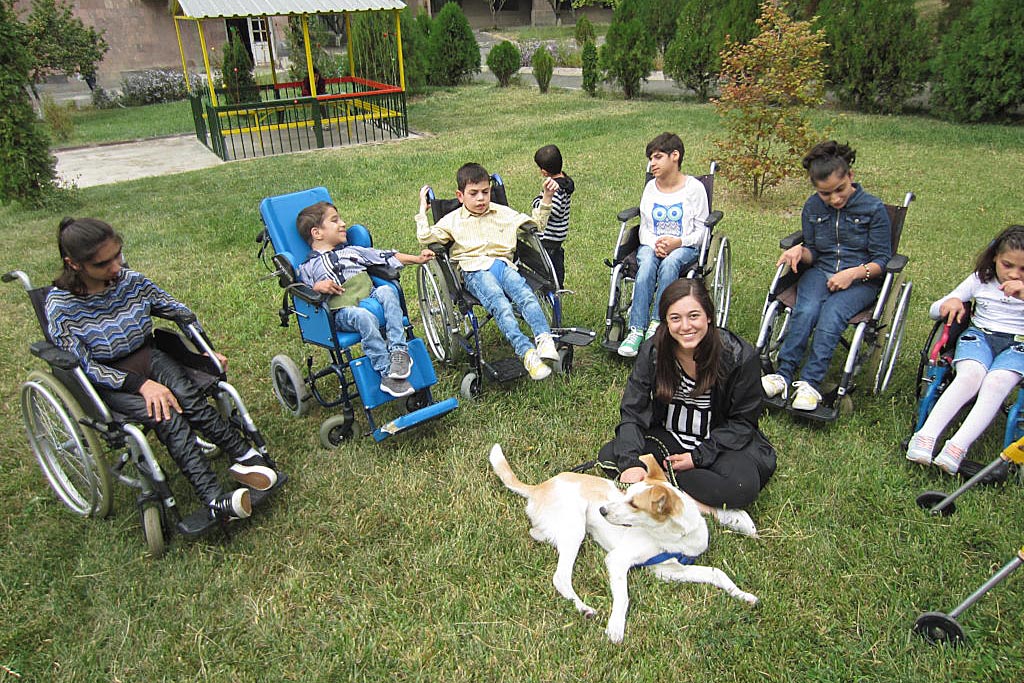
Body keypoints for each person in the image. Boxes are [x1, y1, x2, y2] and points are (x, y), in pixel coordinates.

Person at [46, 218, 280, 522]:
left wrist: (205, 350)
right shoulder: (61, 306)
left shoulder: (130, 281)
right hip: (109, 379)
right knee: (166, 414)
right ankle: (213, 498)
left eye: (118, 255)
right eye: (104, 263)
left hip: (148, 355)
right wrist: (141, 385)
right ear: (74, 264)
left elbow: (178, 311)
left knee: (189, 396)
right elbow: (85, 365)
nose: (116, 267)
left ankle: (244, 457)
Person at [599, 278, 777, 534]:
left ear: (709, 317)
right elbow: (633, 411)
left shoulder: (740, 356)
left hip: (720, 444)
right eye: (675, 318)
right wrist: (630, 463)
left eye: (694, 316)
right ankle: (702, 505)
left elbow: (743, 422)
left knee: (740, 487)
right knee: (611, 455)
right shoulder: (653, 352)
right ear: (665, 321)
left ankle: (666, 488)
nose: (685, 326)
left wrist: (698, 457)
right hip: (669, 437)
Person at [760, 140, 892, 411]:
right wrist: (799, 252)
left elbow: (882, 260)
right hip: (821, 272)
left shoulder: (873, 209)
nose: (834, 199)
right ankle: (784, 375)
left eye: (840, 189)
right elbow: (815, 252)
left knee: (831, 313)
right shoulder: (813, 208)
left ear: (850, 177)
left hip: (862, 280)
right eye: (825, 193)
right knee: (806, 310)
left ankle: (810, 383)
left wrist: (853, 274)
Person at [416, 162, 560, 381]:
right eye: (473, 194)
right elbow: (425, 238)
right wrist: (421, 211)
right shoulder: (452, 220)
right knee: (500, 304)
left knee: (526, 295)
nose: (481, 198)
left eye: (485, 192)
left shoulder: (503, 213)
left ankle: (544, 338)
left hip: (503, 265)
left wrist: (547, 197)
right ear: (460, 195)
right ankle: (527, 353)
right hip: (474, 270)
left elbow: (537, 224)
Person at [907, 225, 1024, 475]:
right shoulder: (981, 280)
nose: (1014, 274)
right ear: (995, 257)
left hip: (1018, 345)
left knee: (996, 382)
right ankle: (925, 437)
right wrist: (950, 302)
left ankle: (957, 447)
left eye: (1023, 269)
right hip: (980, 337)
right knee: (970, 375)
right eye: (1008, 265)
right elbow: (934, 309)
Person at [296, 201, 434, 398]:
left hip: (369, 296)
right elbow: (301, 289)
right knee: (363, 317)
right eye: (335, 220)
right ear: (317, 233)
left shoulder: (352, 251)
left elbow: (385, 256)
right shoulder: (308, 266)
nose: (343, 223)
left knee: (387, 290)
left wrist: (417, 258)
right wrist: (317, 287)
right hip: (341, 311)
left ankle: (398, 352)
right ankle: (387, 372)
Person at [617, 132, 710, 358]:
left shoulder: (694, 189)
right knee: (647, 265)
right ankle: (636, 328)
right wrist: (655, 244)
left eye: (657, 157)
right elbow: (646, 226)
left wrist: (678, 242)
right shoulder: (651, 188)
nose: (652, 164)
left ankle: (659, 324)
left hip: (684, 246)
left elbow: (702, 230)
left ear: (674, 156)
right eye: (651, 159)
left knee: (670, 265)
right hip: (651, 244)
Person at [531, 144, 575, 289]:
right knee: (556, 262)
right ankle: (557, 285)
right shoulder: (565, 181)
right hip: (557, 237)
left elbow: (554, 210)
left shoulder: (555, 188)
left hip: (549, 237)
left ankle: (552, 288)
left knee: (547, 267)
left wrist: (538, 201)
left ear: (544, 171)